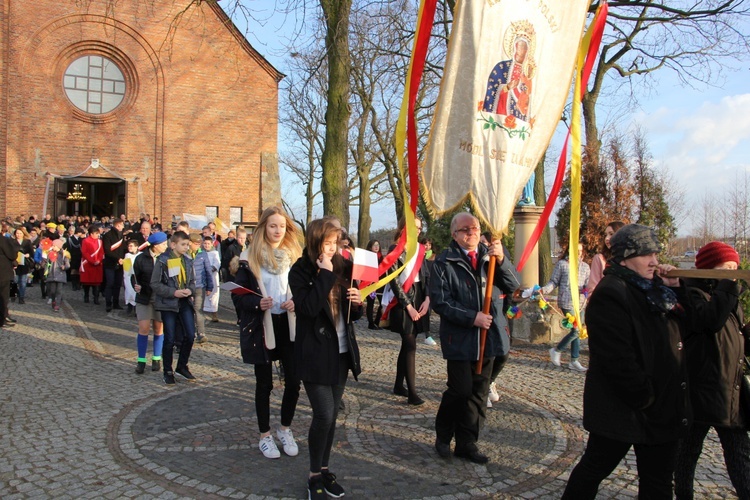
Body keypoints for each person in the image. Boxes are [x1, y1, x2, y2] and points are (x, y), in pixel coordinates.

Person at [561, 224, 694, 499]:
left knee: (657, 482)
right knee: (594, 469)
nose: (655, 261)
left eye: (656, 254)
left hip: (662, 407)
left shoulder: (657, 291)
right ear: (624, 258)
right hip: (625, 408)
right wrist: (644, 396)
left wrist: (678, 289)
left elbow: (692, 324)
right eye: (647, 254)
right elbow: (616, 358)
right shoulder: (612, 292)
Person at [430, 212, 520, 464]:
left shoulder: (491, 256)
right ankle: (443, 436)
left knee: (479, 393)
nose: (472, 233)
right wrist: (472, 317)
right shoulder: (443, 263)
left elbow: (514, 284)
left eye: (476, 229)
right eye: (466, 230)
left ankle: (467, 442)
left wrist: (501, 261)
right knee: (460, 390)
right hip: (459, 338)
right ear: (454, 234)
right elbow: (441, 302)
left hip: (489, 336)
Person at [289, 217, 363, 500]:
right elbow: (307, 308)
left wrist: (358, 304)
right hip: (315, 353)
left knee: (332, 417)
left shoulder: (343, 265)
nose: (332, 249)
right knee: (324, 413)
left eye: (336, 243)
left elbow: (350, 314)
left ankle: (324, 467)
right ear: (315, 242)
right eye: (327, 243)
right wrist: (324, 275)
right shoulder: (301, 270)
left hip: (342, 352)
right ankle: (313, 475)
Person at [674, 241, 749, 499]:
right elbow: (710, 321)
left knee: (740, 458)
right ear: (708, 268)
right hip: (701, 392)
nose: (732, 272)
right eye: (725, 267)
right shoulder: (692, 292)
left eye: (734, 267)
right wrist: (729, 285)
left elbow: (733, 338)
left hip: (731, 392)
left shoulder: (728, 297)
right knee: (686, 456)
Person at [231, 207, 303, 459]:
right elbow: (237, 296)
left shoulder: (296, 256)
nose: (277, 230)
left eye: (281, 226)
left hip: (289, 325)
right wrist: (256, 303)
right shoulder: (249, 258)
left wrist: (297, 302)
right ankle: (265, 435)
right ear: (263, 227)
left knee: (294, 381)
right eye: (272, 226)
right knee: (265, 384)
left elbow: (305, 289)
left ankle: (285, 429)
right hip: (262, 327)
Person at [388, 218, 429, 406]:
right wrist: (409, 306)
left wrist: (428, 299)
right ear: (405, 228)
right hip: (403, 301)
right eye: (415, 227)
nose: (418, 230)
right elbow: (394, 282)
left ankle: (398, 385)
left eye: (420, 228)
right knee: (410, 344)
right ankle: (412, 393)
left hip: (420, 297)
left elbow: (427, 276)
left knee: (407, 345)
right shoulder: (394, 250)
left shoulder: (421, 249)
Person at [151, 231, 196, 385]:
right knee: (169, 338)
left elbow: (192, 282)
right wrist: (173, 292)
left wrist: (190, 290)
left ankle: (182, 366)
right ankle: (167, 370)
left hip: (184, 302)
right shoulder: (163, 261)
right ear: (173, 245)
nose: (185, 248)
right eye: (183, 245)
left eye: (187, 245)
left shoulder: (188, 261)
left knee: (190, 335)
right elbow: (155, 284)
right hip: (168, 304)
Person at [544, 242, 591, 372]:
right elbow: (554, 281)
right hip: (567, 302)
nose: (579, 253)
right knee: (575, 330)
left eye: (581, 251)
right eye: (577, 250)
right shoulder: (562, 265)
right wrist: (544, 290)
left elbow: (588, 284)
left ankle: (574, 360)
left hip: (580, 304)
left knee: (576, 331)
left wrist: (587, 290)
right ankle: (556, 349)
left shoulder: (585, 267)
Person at [132, 232, 169, 374]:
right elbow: (134, 277)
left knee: (159, 329)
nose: (166, 246)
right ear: (155, 246)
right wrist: (136, 285)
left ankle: (156, 358)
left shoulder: (167, 258)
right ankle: (141, 360)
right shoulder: (141, 259)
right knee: (144, 328)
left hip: (160, 298)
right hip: (144, 298)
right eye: (163, 244)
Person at [187, 233, 214, 344]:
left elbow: (208, 271)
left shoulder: (203, 255)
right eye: (195, 243)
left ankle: (201, 333)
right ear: (190, 243)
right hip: (187, 287)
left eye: (199, 244)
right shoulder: (184, 254)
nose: (198, 246)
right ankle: (190, 332)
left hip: (199, 286)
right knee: (188, 311)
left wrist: (209, 286)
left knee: (198, 310)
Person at [588, 221, 625, 293]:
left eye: (611, 234)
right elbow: (592, 288)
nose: (607, 238)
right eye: (606, 235)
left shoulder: (631, 259)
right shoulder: (599, 258)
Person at [102, 218, 126, 311]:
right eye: (122, 225)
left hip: (120, 264)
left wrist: (123, 258)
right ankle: (108, 303)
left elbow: (123, 249)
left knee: (117, 284)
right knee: (110, 284)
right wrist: (118, 258)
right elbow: (107, 251)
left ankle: (116, 303)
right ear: (118, 225)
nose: (123, 226)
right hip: (110, 264)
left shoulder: (121, 236)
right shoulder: (108, 236)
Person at [0, 233, 20, 329]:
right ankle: (2, 320)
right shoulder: (3, 240)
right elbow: (12, 255)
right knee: (3, 297)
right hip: (2, 273)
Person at [44, 239, 70, 312]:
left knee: (59, 291)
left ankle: (57, 304)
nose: (53, 247)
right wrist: (46, 272)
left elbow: (67, 264)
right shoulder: (50, 253)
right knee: (52, 291)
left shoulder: (64, 254)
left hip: (60, 275)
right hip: (52, 274)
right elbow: (47, 264)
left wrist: (64, 267)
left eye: (54, 246)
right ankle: (53, 300)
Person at [80, 225, 104, 304]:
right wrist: (92, 261)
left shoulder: (100, 242)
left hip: (97, 264)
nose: (98, 235)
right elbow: (84, 252)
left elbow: (101, 252)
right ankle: (86, 296)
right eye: (96, 233)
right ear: (91, 234)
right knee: (87, 282)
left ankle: (96, 298)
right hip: (88, 264)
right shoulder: (85, 241)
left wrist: (98, 260)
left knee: (96, 283)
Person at [364, 239, 383, 330]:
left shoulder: (381, 257)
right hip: (370, 284)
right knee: (370, 303)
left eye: (378, 245)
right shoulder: (368, 257)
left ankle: (377, 322)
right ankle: (371, 323)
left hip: (380, 284)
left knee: (382, 303)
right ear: (370, 247)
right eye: (374, 245)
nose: (376, 247)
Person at [202, 236, 221, 323]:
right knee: (204, 295)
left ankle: (214, 314)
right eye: (205, 243)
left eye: (208, 243)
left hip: (212, 276)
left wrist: (210, 270)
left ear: (212, 244)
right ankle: (203, 314)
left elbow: (217, 263)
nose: (206, 245)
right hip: (203, 276)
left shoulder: (215, 253)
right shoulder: (200, 253)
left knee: (214, 295)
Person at [12, 228, 32, 305]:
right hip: (15, 263)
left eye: (20, 233)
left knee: (23, 282)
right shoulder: (12, 242)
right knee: (15, 280)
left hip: (24, 264)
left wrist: (28, 255)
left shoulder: (27, 242)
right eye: (17, 233)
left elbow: (31, 252)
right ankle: (14, 294)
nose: (19, 235)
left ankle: (21, 297)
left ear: (23, 234)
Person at [123, 239, 140, 315]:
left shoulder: (141, 255)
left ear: (136, 247)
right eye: (128, 246)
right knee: (129, 290)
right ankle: (130, 307)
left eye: (131, 246)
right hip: (129, 277)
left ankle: (137, 309)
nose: (129, 247)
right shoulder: (127, 255)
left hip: (138, 276)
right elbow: (126, 269)